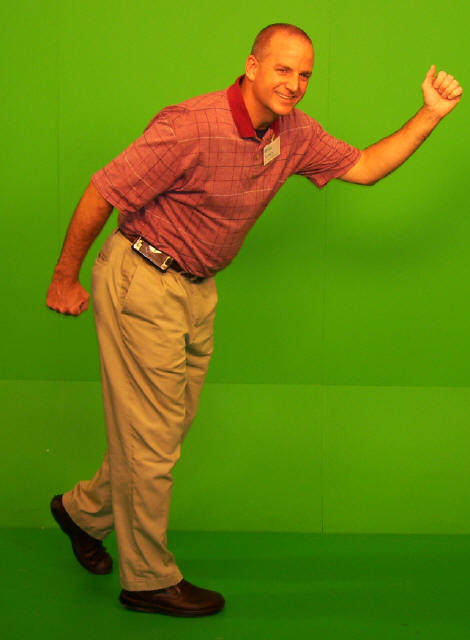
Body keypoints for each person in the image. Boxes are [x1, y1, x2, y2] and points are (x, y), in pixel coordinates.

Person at [46, 23, 462, 617]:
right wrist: (65, 277)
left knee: (163, 431)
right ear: (251, 66)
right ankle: (148, 580)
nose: (294, 83)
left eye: (305, 74)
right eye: (283, 69)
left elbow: (367, 166)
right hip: (143, 275)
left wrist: (430, 115)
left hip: (196, 287)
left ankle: (81, 512)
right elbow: (103, 190)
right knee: (152, 442)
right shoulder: (190, 125)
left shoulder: (294, 134)